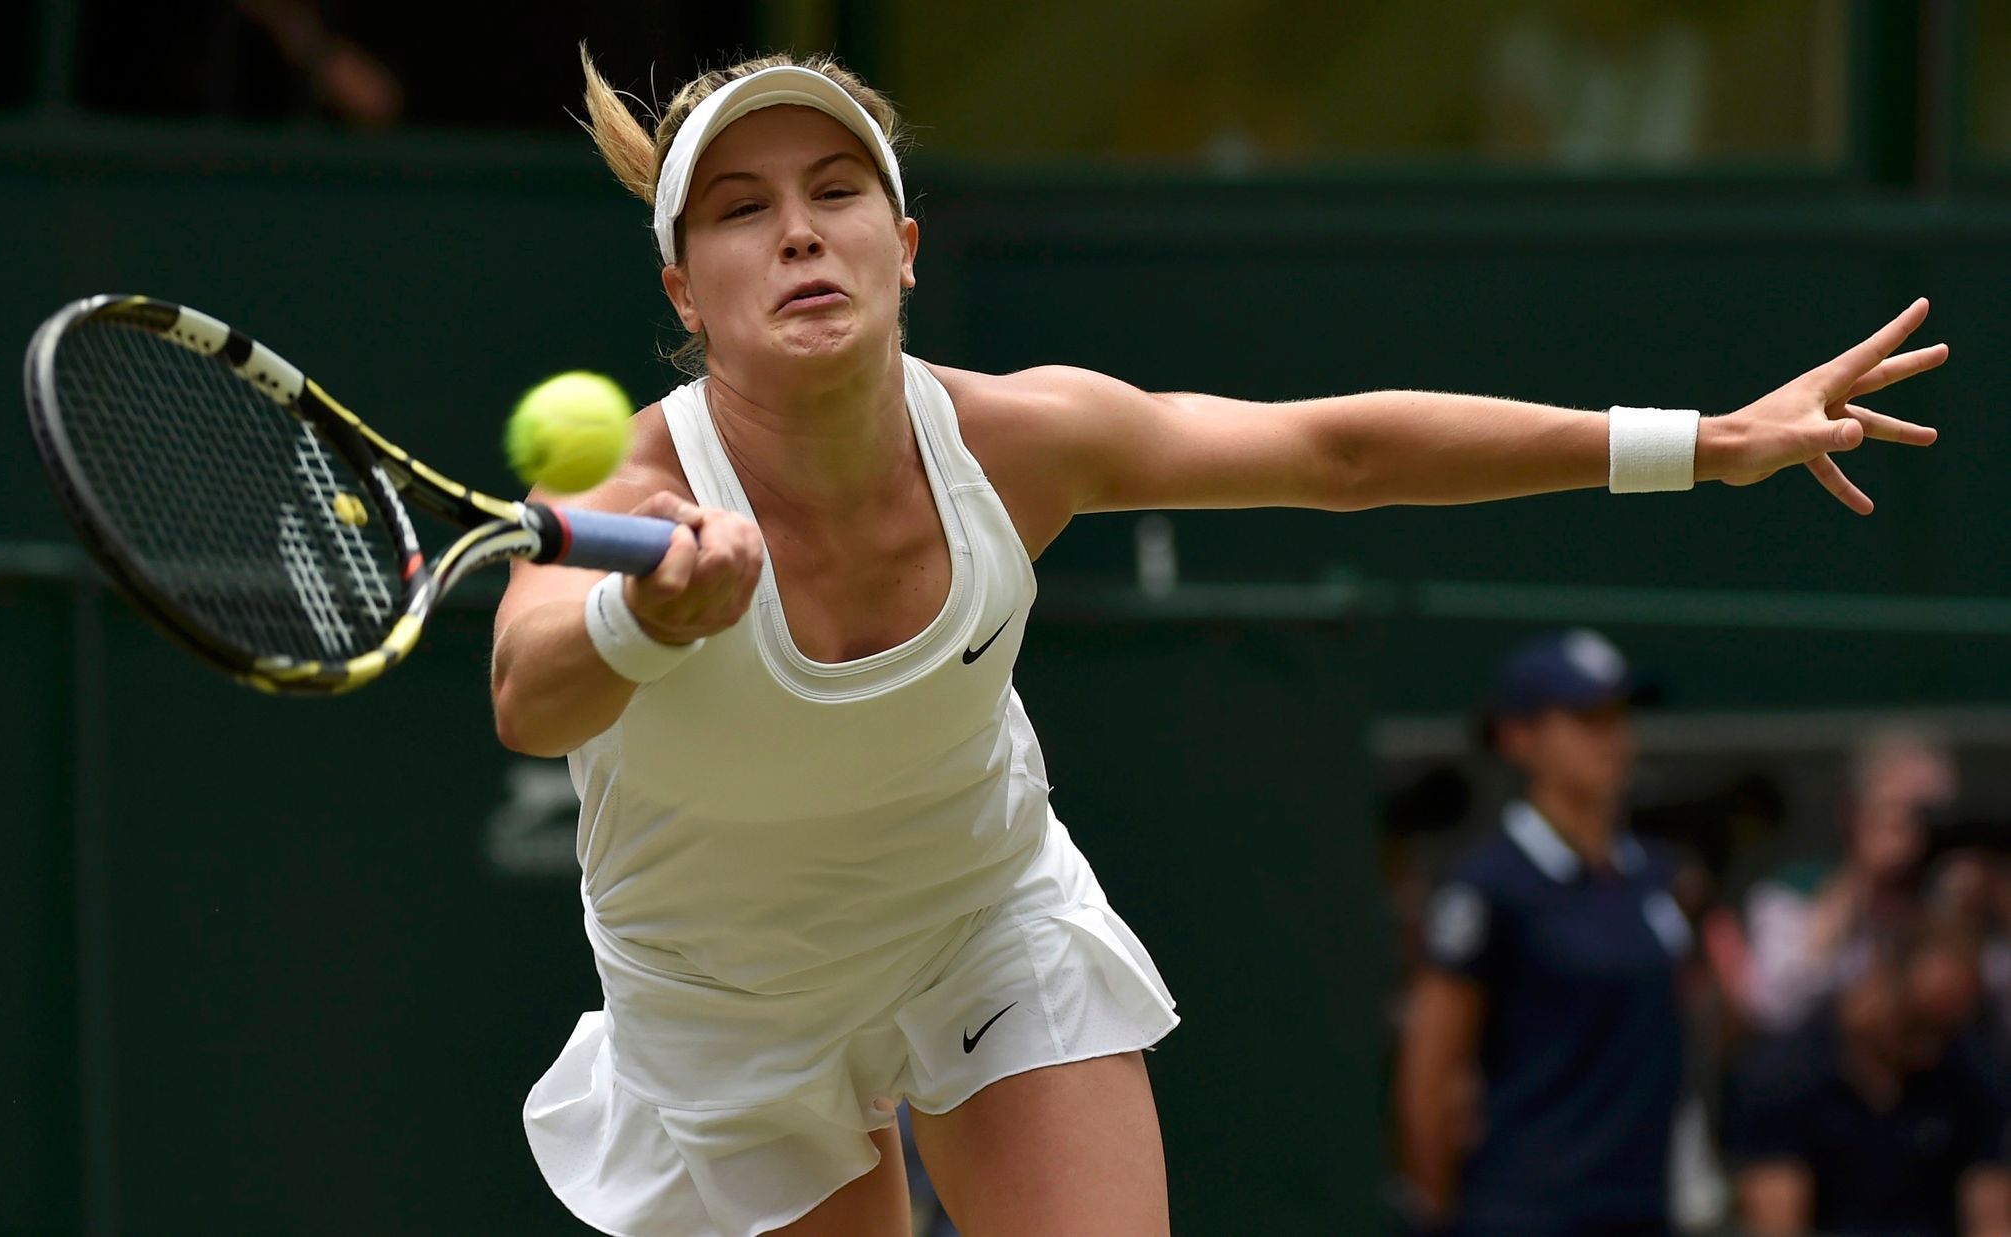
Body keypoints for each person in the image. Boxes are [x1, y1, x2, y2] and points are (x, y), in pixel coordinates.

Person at [489, 45, 1945, 1237]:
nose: (799, 229)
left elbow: (1340, 452)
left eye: (836, 189)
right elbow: (525, 696)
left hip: (973, 920)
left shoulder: (1022, 441)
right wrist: (640, 613)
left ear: (906, 247)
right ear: (684, 290)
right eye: (740, 209)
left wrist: (1708, 441)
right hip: (726, 996)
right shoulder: (624, 485)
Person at [1394, 630, 1691, 1237]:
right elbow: (1427, 1076)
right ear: (1519, 737)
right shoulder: (1489, 887)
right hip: (1528, 1211)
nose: (1613, 738)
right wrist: (1443, 1208)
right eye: (1586, 719)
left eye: (1619, 716)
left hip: (1642, 1208)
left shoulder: (1655, 875)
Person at [1728, 923, 2011, 1237]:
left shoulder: (1971, 1072)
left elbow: (1992, 1218)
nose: (1931, 1046)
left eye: (1946, 1029)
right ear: (1880, 978)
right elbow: (1776, 1226)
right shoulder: (1788, 1072)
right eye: (1917, 1024)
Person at [1737, 728, 1960, 1034]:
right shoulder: (1794, 892)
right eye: (1895, 811)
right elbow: (1776, 1005)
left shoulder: (1962, 899)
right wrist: (1860, 881)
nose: (1916, 831)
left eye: (1930, 816)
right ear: (1853, 814)